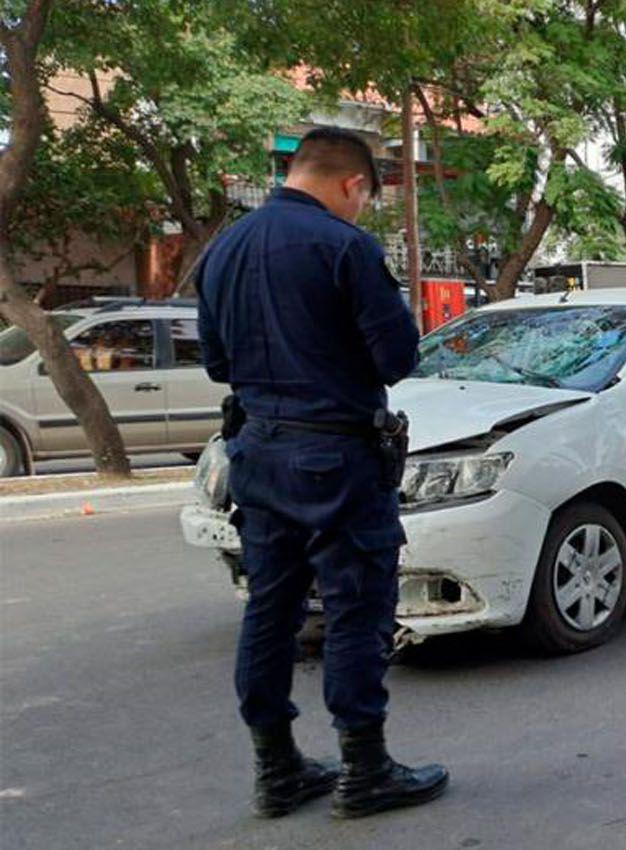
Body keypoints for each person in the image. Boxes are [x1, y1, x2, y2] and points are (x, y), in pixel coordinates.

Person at [198, 128, 448, 818]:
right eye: (365, 198)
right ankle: (365, 768)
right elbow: (397, 358)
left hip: (257, 454)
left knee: (270, 612)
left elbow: (217, 363)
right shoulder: (346, 247)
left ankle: (276, 770)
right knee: (355, 610)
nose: (362, 210)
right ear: (351, 185)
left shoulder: (224, 247)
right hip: (336, 458)